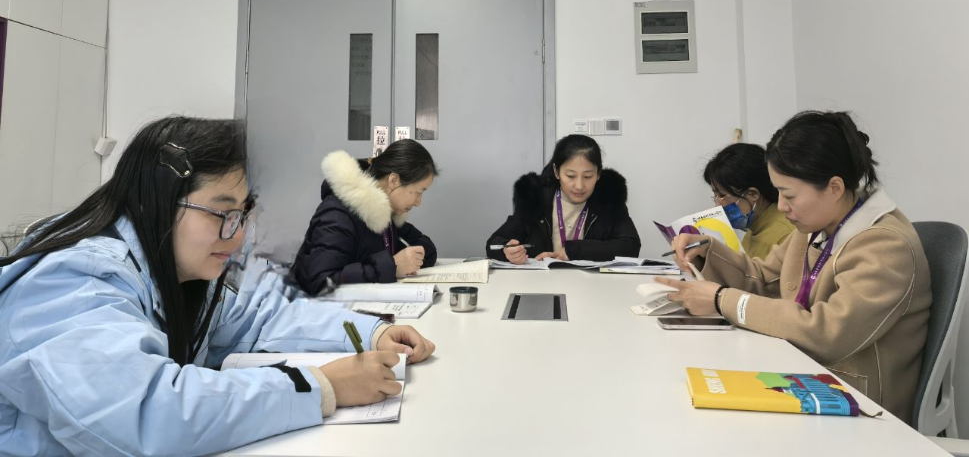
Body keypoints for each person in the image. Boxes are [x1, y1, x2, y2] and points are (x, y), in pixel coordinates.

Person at [0, 117, 435, 456]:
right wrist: (321, 387)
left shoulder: (173, 268)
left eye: (242, 214)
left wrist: (372, 331)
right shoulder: (72, 283)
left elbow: (261, 317)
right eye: (222, 214)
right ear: (156, 203)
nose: (237, 234)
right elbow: (147, 414)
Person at [658, 111, 931, 423]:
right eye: (778, 192)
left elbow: (827, 333)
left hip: (857, 401)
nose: (781, 206)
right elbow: (761, 278)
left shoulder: (886, 245)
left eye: (788, 195)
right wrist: (707, 251)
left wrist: (721, 300)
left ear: (834, 187)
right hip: (808, 377)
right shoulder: (815, 227)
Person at [290, 139, 438, 292]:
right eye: (418, 192)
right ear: (394, 180)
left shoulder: (383, 214)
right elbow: (319, 282)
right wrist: (391, 266)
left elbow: (425, 251)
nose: (418, 202)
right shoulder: (337, 214)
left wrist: (409, 257)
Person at [486, 134, 641, 262]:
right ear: (556, 171)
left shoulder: (609, 199)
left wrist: (574, 251)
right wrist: (507, 250)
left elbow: (631, 247)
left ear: (598, 174)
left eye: (588, 176)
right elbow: (493, 243)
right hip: (541, 283)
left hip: (592, 285)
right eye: (571, 176)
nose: (579, 186)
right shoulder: (535, 198)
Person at [703, 143, 795, 259]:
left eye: (722, 195)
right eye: (715, 195)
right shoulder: (752, 231)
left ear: (752, 194)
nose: (717, 206)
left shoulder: (787, 234)